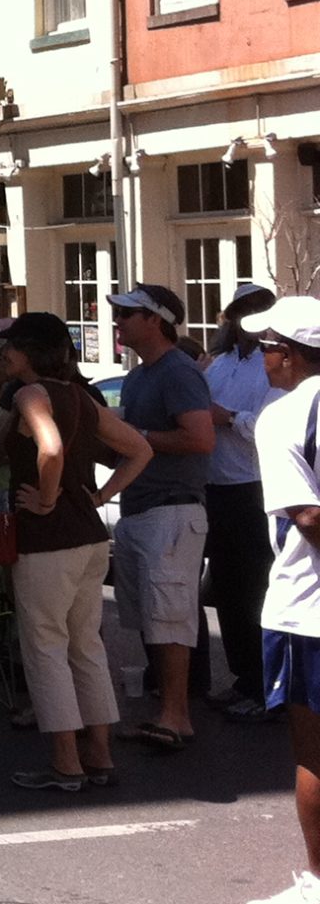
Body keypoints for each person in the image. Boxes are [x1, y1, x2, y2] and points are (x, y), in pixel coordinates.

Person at [0, 313, 152, 792]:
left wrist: (48, 498)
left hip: (47, 541)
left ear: (31, 350)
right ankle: (98, 754)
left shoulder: (31, 394)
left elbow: (50, 449)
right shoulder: (79, 394)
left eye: (12, 346)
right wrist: (96, 498)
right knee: (86, 647)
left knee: (46, 650)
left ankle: (65, 762)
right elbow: (139, 449)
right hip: (90, 537)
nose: (5, 353)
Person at [106, 283, 218, 749]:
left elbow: (201, 439)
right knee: (150, 618)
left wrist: (137, 437)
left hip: (172, 511)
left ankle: (177, 714)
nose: (119, 321)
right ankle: (164, 710)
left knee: (170, 617)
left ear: (155, 320)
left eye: (128, 314)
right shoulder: (136, 376)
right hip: (139, 509)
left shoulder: (178, 371)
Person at [240, 295, 320, 904]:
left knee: (313, 752)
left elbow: (308, 514)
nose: (260, 357)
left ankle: (319, 886)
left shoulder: (283, 415)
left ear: (288, 355)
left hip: (309, 610)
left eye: (264, 347)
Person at [205, 282, 283, 721]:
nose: (247, 319)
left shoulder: (270, 367)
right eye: (240, 310)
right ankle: (243, 678)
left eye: (257, 309)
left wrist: (229, 418)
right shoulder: (218, 365)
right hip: (216, 489)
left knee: (258, 591)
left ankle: (266, 687)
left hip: (253, 488)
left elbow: (269, 429)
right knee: (227, 592)